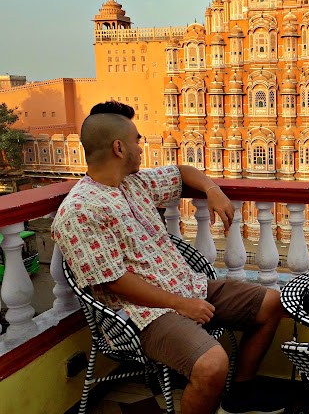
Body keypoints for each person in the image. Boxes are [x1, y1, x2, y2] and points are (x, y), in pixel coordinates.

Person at [52, 101, 286, 414]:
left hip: (187, 286)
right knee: (212, 364)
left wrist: (211, 188)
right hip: (142, 314)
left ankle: (240, 394)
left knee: (271, 302)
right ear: (119, 148)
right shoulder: (80, 211)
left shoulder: (134, 184)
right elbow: (116, 282)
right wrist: (180, 305)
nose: (141, 146)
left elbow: (181, 172)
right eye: (137, 140)